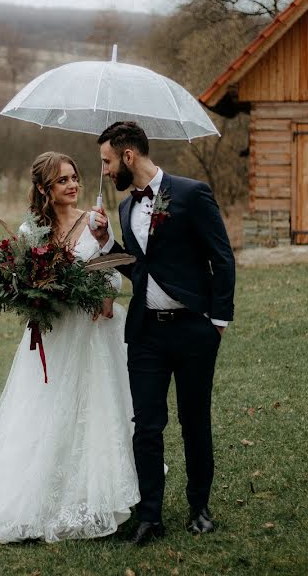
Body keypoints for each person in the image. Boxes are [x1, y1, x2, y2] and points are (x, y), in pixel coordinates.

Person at [0, 151, 140, 544]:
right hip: (55, 333)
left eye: (75, 177)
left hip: (93, 334)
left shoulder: (94, 220)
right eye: (63, 180)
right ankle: (34, 496)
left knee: (93, 410)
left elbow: (114, 272)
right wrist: (33, 297)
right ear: (45, 188)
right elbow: (23, 284)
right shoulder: (33, 232)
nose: (73, 184)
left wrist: (108, 295)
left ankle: (95, 495)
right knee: (45, 410)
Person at [90, 121, 236, 545]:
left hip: (194, 330)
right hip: (146, 334)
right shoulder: (123, 209)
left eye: (107, 161)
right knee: (146, 426)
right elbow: (139, 269)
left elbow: (222, 258)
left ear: (128, 156)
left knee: (195, 422)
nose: (104, 170)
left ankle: (199, 509)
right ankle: (150, 517)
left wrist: (219, 322)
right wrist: (105, 244)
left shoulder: (191, 194)